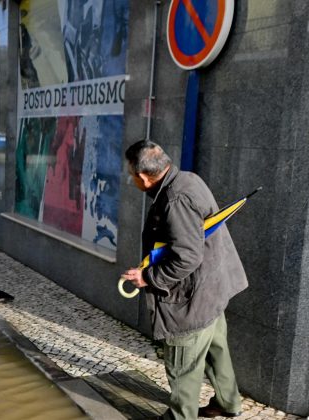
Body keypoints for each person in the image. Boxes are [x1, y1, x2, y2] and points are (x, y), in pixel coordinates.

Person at [120, 140, 248, 420]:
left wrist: (148, 277)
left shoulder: (175, 200)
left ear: (143, 176)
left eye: (132, 175)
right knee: (217, 352)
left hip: (189, 300)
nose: (132, 181)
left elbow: (187, 257)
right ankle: (229, 404)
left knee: (183, 368)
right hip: (211, 291)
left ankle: (181, 417)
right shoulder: (189, 180)